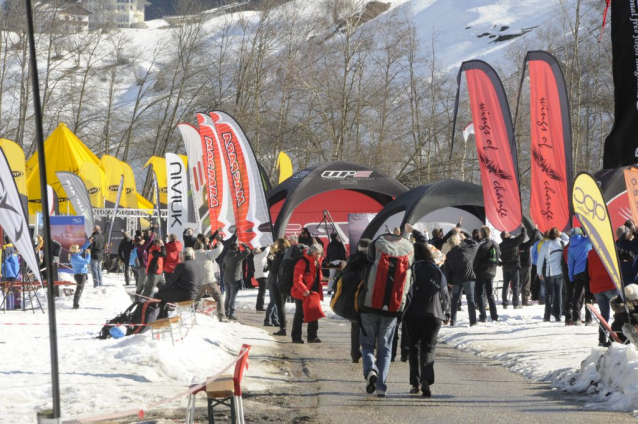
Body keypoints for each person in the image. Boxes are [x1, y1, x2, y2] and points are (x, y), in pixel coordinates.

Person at [404, 242, 449, 397]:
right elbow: (444, 291)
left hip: (413, 314)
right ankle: (426, 380)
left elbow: (406, 291)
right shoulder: (436, 269)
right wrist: (447, 312)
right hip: (434, 314)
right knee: (428, 348)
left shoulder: (411, 270)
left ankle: (415, 383)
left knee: (414, 349)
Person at [443, 233, 479, 326]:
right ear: (458, 241)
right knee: (470, 299)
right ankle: (473, 321)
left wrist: (449, 281)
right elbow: (475, 244)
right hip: (468, 277)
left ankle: (453, 321)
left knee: (454, 300)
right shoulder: (466, 250)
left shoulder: (449, 255)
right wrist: (466, 238)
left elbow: (447, 270)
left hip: (455, 280)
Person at [291, 244, 324, 344]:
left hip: (313, 293)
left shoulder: (317, 262)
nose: (318, 256)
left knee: (314, 313)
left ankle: (312, 336)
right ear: (311, 252)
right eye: (316, 254)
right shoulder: (302, 262)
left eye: (319, 254)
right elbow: (297, 279)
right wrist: (304, 290)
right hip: (301, 293)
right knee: (300, 314)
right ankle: (296, 337)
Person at [155, 247, 202, 318]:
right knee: (165, 294)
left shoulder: (182, 265)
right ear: (192, 255)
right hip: (196, 294)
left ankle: (161, 318)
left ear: (183, 256)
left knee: (159, 295)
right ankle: (163, 316)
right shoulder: (199, 265)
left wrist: (162, 288)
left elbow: (171, 281)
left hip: (184, 295)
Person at [588, 249, 619, 347]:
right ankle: (616, 336)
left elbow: (589, 270)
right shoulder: (610, 250)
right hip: (610, 285)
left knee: (604, 315)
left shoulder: (590, 253)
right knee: (619, 313)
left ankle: (601, 338)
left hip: (596, 286)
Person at [537, 227, 570, 322]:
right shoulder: (561, 243)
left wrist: (539, 272)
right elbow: (568, 239)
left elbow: (540, 260)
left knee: (549, 295)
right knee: (558, 294)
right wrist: (562, 233)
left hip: (549, 272)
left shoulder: (545, 245)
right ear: (558, 234)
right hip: (559, 272)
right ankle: (558, 315)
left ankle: (546, 316)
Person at [473, 226, 500, 323]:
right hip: (491, 272)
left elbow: (476, 261)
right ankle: (494, 316)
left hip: (480, 273)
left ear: (482, 234)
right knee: (490, 294)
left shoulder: (481, 245)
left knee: (480, 294)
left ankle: (483, 316)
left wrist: (473, 270)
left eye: (479, 233)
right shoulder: (495, 244)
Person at [193, 241, 225, 322]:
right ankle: (222, 316)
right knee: (218, 297)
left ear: (194, 248)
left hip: (198, 282)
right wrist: (220, 245)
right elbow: (217, 251)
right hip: (209, 281)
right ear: (203, 247)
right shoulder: (207, 253)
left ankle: (191, 316)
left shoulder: (192, 255)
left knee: (196, 299)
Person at [566, 228, 592, 325]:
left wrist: (571, 277)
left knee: (577, 296)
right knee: (588, 295)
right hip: (587, 270)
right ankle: (588, 319)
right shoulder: (587, 241)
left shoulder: (570, 247)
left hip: (577, 272)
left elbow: (570, 264)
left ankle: (576, 318)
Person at [499, 225, 527, 309]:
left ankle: (505, 302)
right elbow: (523, 237)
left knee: (505, 285)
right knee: (515, 285)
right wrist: (523, 228)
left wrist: (500, 263)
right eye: (507, 233)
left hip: (505, 266)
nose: (509, 233)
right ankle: (515, 303)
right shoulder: (512, 242)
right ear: (505, 236)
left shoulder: (500, 245)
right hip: (514, 265)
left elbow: (497, 256)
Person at [222, 242, 251, 321]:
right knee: (232, 297)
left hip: (226, 278)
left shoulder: (226, 257)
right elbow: (248, 251)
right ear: (236, 249)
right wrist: (244, 244)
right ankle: (231, 314)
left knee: (227, 296)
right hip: (235, 279)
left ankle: (226, 312)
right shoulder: (237, 256)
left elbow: (223, 267)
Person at [266, 238, 289, 329]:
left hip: (277, 280)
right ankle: (278, 320)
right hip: (286, 280)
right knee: (282, 303)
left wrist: (269, 261)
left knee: (278, 304)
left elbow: (273, 269)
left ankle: (282, 326)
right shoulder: (289, 253)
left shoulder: (279, 255)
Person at [519, 227, 542, 305]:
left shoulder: (514, 246)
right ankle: (524, 301)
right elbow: (532, 239)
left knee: (518, 283)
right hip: (525, 266)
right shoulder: (525, 245)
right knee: (526, 284)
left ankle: (516, 300)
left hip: (517, 266)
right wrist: (536, 230)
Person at [69, 243, 91, 309]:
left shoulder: (76, 255)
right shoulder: (76, 258)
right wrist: (88, 254)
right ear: (75, 250)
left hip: (81, 274)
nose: (79, 249)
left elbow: (82, 248)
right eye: (78, 248)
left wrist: (89, 242)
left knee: (79, 290)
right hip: (80, 275)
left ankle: (75, 303)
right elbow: (87, 261)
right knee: (79, 290)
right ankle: (75, 304)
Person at [253, 246, 270, 311]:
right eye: (259, 249)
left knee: (261, 292)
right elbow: (266, 251)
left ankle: (258, 305)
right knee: (262, 292)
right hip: (263, 276)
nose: (260, 249)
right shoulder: (260, 256)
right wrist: (268, 246)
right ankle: (260, 306)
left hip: (258, 275)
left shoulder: (255, 257)